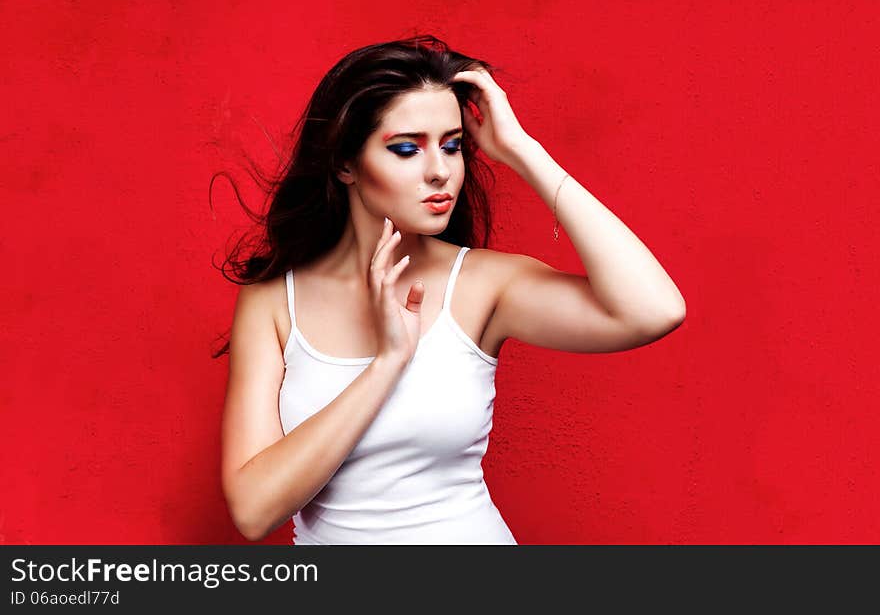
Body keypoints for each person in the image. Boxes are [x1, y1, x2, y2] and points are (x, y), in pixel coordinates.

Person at [215, 35, 686, 544]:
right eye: (405, 148)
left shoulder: (484, 284)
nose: (440, 170)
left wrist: (522, 152)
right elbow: (253, 509)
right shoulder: (273, 302)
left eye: (453, 145)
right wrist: (387, 364)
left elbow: (654, 310)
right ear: (345, 164)